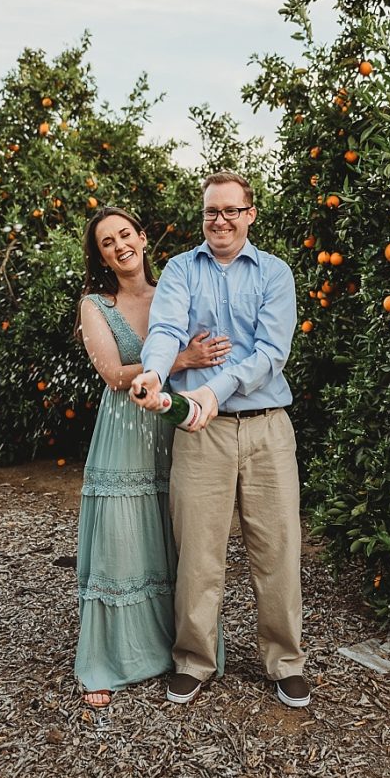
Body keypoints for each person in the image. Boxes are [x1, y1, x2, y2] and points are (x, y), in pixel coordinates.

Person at [130, 171, 309, 709]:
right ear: (202, 215)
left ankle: (285, 662)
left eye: (232, 210)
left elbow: (271, 351)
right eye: (212, 211)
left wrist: (212, 387)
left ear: (250, 215)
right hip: (199, 433)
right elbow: (165, 329)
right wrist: (156, 374)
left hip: (266, 427)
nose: (221, 220)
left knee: (278, 548)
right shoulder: (182, 269)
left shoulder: (276, 273)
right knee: (199, 553)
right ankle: (194, 660)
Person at [73, 206, 230, 708]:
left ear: (142, 238)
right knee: (123, 538)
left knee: (180, 535)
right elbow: (115, 375)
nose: (119, 246)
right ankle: (109, 659)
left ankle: (181, 651)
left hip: (175, 424)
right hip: (124, 429)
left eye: (125, 235)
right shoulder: (96, 304)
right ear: (100, 256)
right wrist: (181, 358)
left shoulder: (175, 290)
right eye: (106, 243)